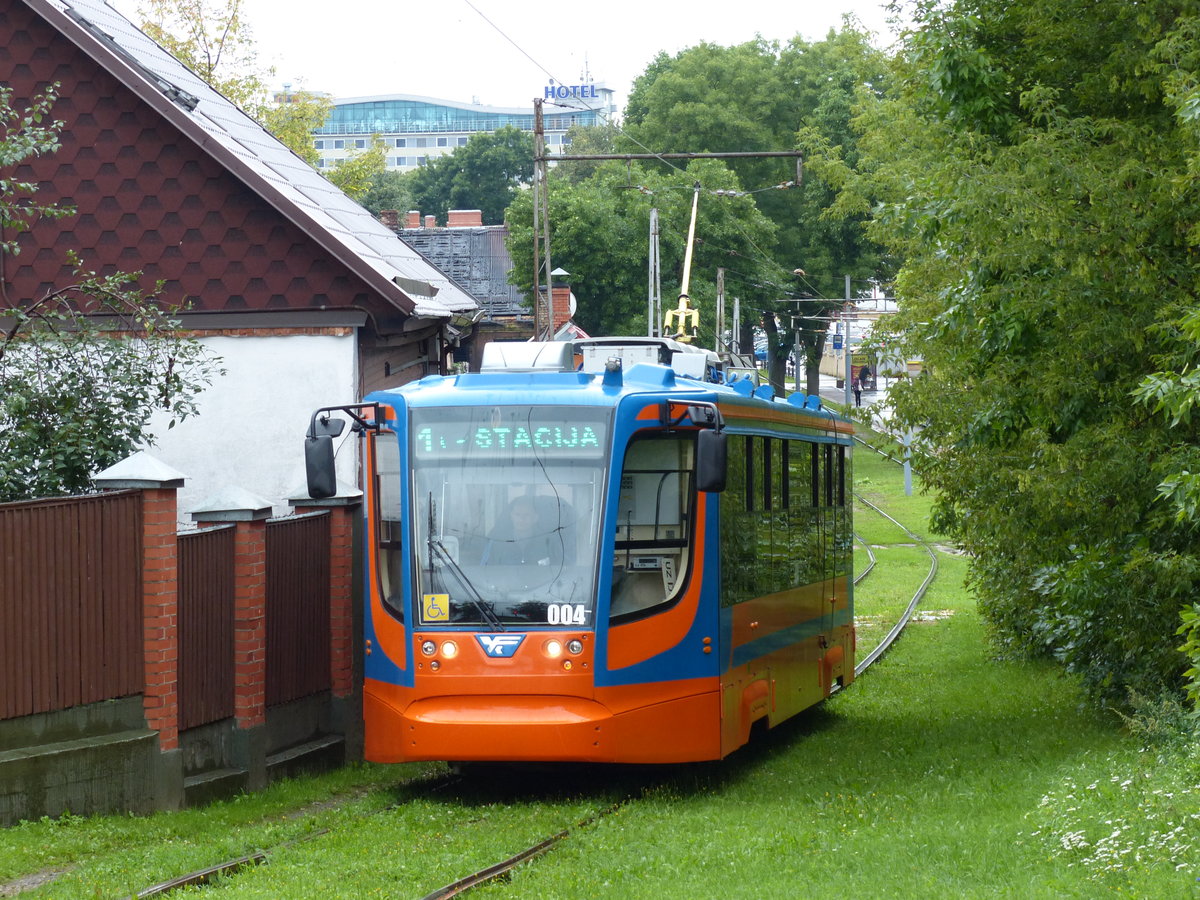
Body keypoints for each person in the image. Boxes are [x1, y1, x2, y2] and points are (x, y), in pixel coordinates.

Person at [480, 496, 562, 567]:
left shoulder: (549, 543)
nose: (521, 519)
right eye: (517, 514)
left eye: (526, 515)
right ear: (511, 516)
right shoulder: (496, 542)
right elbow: (484, 571)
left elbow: (560, 572)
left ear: (535, 518)